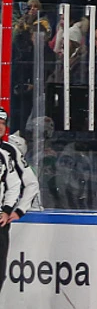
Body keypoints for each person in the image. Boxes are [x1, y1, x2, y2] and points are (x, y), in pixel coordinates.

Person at [0, 108, 38, 261]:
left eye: (3, 123)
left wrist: (17, 210)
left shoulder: (9, 152)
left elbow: (30, 184)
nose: (1, 126)